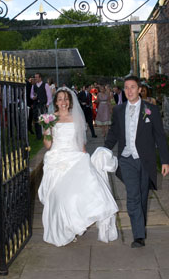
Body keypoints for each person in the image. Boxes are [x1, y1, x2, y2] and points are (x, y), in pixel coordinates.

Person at [38, 87, 119, 247]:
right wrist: (47, 128)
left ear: (70, 101)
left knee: (73, 196)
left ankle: (72, 226)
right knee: (58, 197)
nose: (63, 102)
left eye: (66, 99)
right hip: (56, 159)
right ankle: (63, 228)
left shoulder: (76, 119)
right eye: (60, 99)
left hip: (74, 158)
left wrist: (86, 160)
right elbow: (48, 145)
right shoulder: (49, 118)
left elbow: (80, 143)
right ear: (55, 102)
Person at [105, 75, 169, 248]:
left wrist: (165, 161)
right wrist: (103, 150)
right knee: (133, 196)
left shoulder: (151, 110)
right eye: (126, 87)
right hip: (126, 159)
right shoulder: (118, 110)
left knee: (142, 196)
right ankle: (138, 235)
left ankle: (140, 225)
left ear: (140, 89)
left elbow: (159, 136)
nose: (129, 90)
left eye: (132, 87)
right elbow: (113, 133)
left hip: (145, 160)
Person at [30, 73, 52, 140]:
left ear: (40, 78)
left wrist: (48, 103)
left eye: (36, 77)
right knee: (37, 121)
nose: (35, 78)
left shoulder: (45, 85)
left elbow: (49, 95)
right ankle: (38, 136)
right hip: (36, 105)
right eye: (35, 77)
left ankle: (46, 134)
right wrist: (33, 97)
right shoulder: (33, 86)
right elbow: (31, 95)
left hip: (43, 105)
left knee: (45, 120)